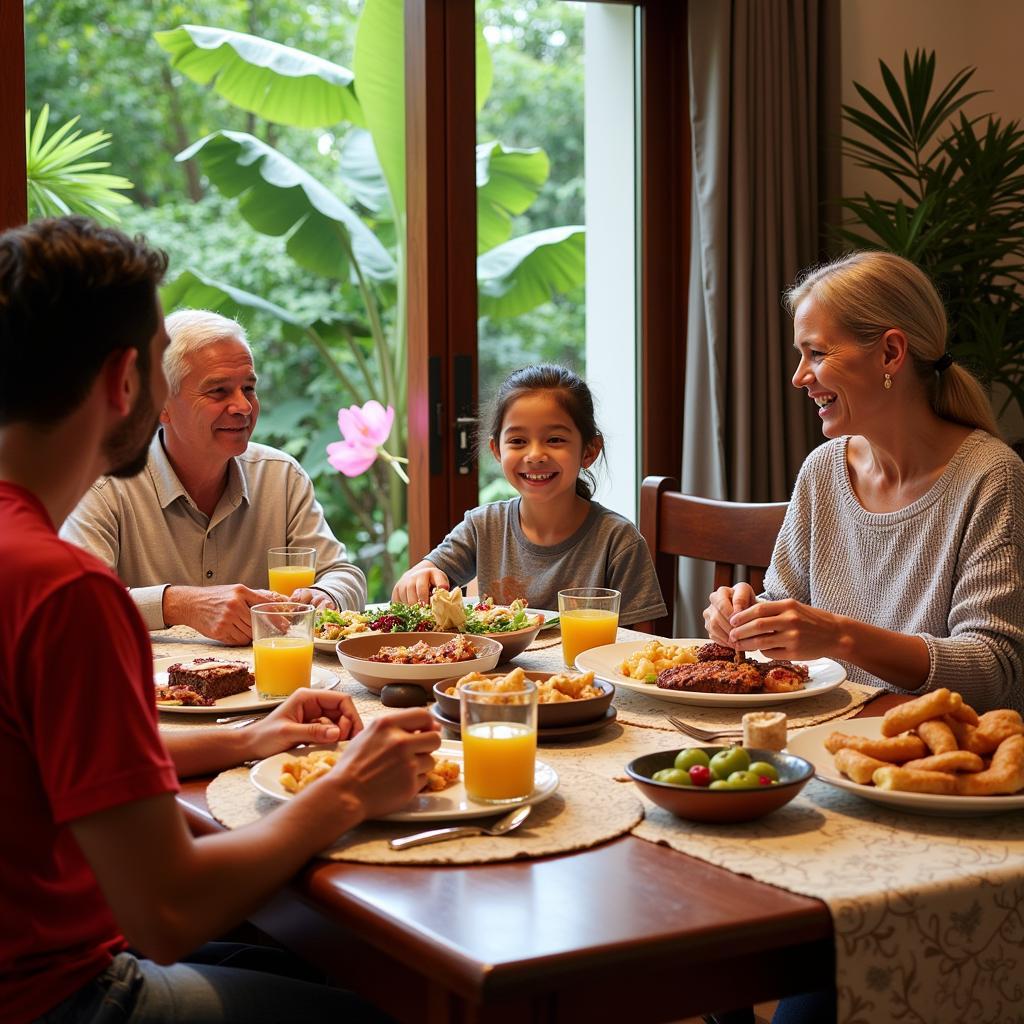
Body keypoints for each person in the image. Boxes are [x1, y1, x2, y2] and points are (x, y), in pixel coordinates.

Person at [0, 216, 440, 1023]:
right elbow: (166, 915)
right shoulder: (62, 589)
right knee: (403, 1006)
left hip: (61, 947)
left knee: (309, 955)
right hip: (60, 996)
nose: (241, 405)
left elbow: (53, 761)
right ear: (127, 382)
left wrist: (248, 736)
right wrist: (347, 791)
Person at [704, 250, 1024, 717]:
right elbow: (788, 606)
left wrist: (839, 636)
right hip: (827, 736)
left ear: (891, 353)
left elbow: (993, 671)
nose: (798, 377)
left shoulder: (991, 476)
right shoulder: (823, 470)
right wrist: (747, 616)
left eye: (816, 353)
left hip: (936, 763)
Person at [61, 308, 366, 645]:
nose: (244, 406)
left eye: (248, 388)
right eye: (219, 391)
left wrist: (325, 596)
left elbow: (344, 575)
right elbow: (74, 605)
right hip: (152, 694)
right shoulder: (104, 485)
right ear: (160, 405)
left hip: (271, 690)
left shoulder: (281, 476)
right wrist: (177, 604)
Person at [393, 364, 667, 626]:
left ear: (589, 451)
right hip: (494, 676)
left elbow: (638, 651)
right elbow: (421, 575)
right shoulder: (483, 527)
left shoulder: (618, 541)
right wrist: (419, 577)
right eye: (518, 441)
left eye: (555, 439)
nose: (535, 455)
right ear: (497, 451)